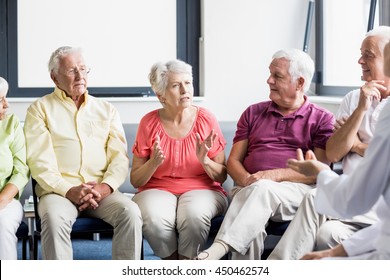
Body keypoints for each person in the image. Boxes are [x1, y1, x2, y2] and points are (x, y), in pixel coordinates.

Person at [195, 48, 334, 260]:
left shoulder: (322, 119)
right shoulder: (252, 112)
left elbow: (319, 171)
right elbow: (233, 161)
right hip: (248, 186)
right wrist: (248, 181)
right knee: (254, 215)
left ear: (299, 83)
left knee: (262, 189)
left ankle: (219, 248)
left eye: (277, 76)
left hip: (297, 190)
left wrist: (272, 176)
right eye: (270, 74)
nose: (269, 80)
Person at [268, 26, 390, 260]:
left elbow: (378, 164)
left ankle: (279, 269)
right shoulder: (354, 98)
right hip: (353, 203)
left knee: (314, 198)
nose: (360, 60)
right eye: (361, 53)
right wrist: (362, 107)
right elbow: (334, 153)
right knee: (327, 234)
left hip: (367, 200)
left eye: (369, 55)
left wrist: (355, 145)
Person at [23, 46, 142, 260]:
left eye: (83, 69)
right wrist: (68, 190)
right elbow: (40, 162)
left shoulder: (106, 109)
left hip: (101, 191)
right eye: (71, 71)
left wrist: (105, 187)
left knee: (130, 213)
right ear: (54, 77)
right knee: (53, 218)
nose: (80, 76)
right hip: (58, 192)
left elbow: (119, 159)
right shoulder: (39, 109)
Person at [131, 59, 228, 260]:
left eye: (188, 83)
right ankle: (174, 264)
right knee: (154, 218)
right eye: (176, 85)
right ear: (161, 96)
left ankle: (188, 265)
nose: (185, 90)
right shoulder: (148, 122)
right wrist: (153, 163)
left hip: (203, 188)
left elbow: (222, 175)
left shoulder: (207, 119)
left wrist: (205, 161)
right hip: (156, 189)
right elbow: (136, 180)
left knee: (194, 216)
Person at [0, 77, 30, 260]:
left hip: (6, 199)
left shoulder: (11, 124)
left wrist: (2, 199)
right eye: (0, 99)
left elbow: (21, 170)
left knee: (2, 224)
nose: (7, 104)